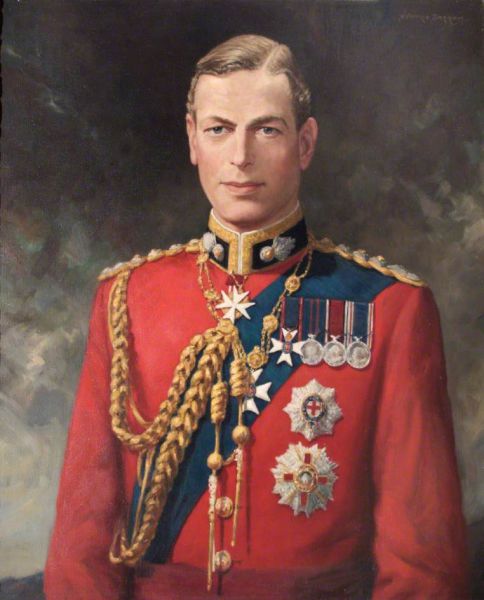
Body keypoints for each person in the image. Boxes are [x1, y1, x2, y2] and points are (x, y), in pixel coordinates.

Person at [44, 34, 469, 599]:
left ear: (305, 143)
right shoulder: (126, 298)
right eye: (219, 129)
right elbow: (81, 545)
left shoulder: (389, 307)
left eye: (266, 130)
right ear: (192, 139)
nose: (240, 156)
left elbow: (423, 566)